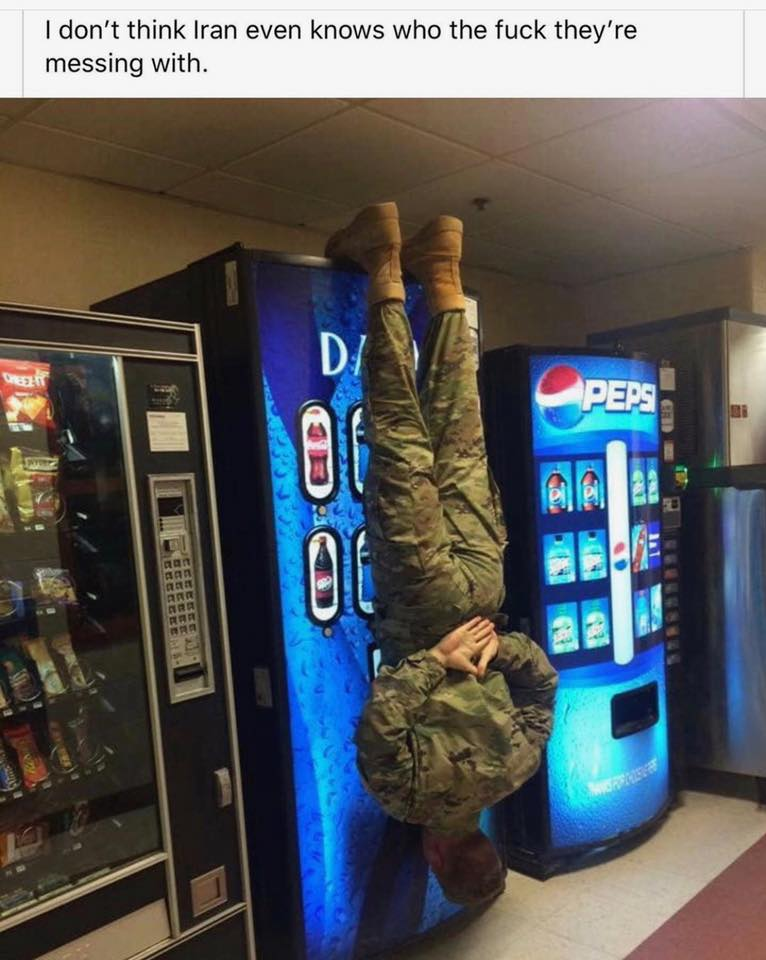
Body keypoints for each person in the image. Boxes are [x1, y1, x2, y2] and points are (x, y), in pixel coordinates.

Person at [325, 203, 558, 907]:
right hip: (422, 601)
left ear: (484, 843)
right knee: (400, 432)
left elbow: (543, 683)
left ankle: (444, 270)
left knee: (461, 435)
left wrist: (496, 647)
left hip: (485, 590)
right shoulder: (406, 797)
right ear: (437, 856)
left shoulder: (517, 769)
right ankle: (384, 262)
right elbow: (381, 717)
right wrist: (441, 659)